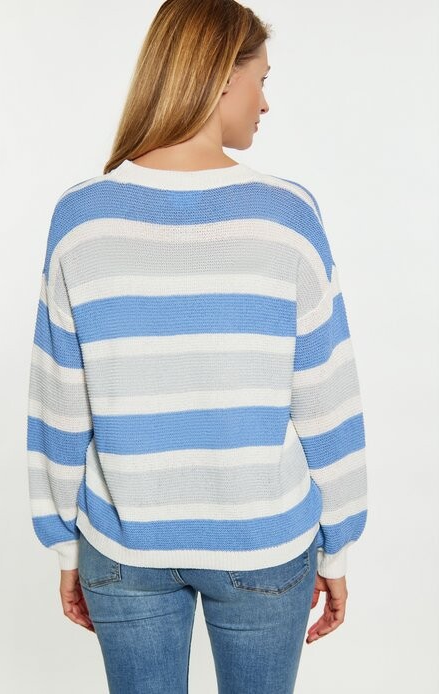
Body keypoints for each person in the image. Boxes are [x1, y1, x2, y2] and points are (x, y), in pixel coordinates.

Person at [26, 1, 368, 691]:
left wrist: (64, 542)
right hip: (264, 542)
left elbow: (58, 400)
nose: (265, 103)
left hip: (123, 545)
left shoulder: (81, 217)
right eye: (261, 80)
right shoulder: (287, 215)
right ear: (220, 75)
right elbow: (326, 393)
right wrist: (337, 544)